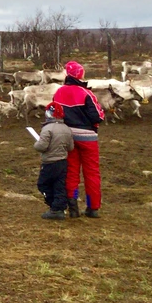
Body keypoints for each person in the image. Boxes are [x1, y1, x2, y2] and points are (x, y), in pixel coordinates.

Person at [52, 61, 105, 218]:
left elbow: (54, 112)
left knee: (71, 171)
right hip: (88, 138)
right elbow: (97, 116)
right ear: (81, 75)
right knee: (92, 172)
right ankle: (92, 207)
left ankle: (72, 204)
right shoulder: (86, 93)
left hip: (68, 136)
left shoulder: (59, 92)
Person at [33, 102, 74, 219]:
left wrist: (36, 144)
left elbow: (41, 146)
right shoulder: (67, 128)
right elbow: (70, 147)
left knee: (43, 184)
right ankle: (59, 208)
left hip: (49, 162)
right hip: (62, 162)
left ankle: (53, 206)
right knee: (59, 185)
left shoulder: (47, 129)